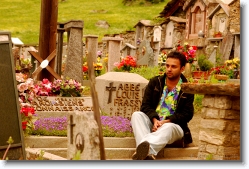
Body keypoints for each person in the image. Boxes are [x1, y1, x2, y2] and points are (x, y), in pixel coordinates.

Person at [131, 51, 194, 160]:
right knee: (137, 115)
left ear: (182, 68)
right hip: (154, 123)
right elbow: (145, 106)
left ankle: (143, 150)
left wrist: (166, 121)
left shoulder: (187, 88)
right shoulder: (155, 82)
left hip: (173, 127)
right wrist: (155, 120)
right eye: (167, 65)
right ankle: (147, 154)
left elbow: (187, 114)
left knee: (168, 128)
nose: (169, 69)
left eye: (173, 67)